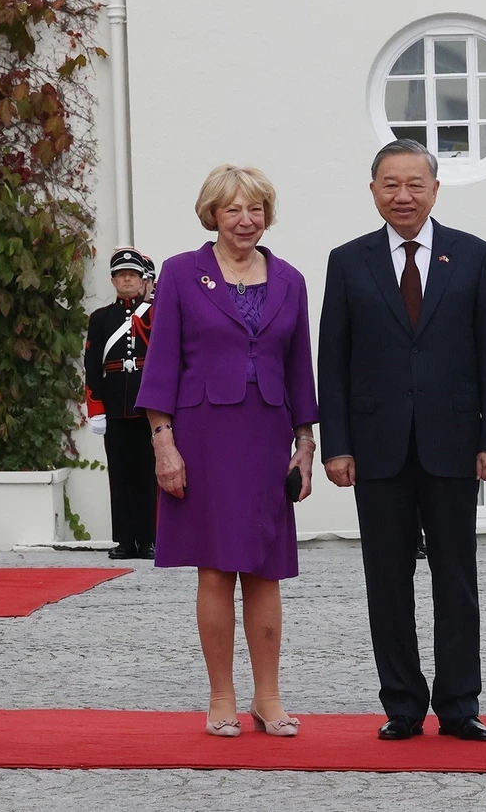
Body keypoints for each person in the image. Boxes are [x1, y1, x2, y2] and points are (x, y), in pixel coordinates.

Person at [317, 139, 486, 742]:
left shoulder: (474, 257)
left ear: (434, 189)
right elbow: (335, 359)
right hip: (375, 448)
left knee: (457, 578)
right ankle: (402, 702)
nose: (403, 196)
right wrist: (336, 444)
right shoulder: (348, 261)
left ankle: (458, 704)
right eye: (390, 184)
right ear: (373, 190)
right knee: (387, 579)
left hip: (454, 444)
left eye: (414, 184)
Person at [135, 164, 318, 737]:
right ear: (212, 213)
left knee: (266, 569)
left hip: (267, 434)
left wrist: (306, 443)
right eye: (233, 208)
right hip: (203, 434)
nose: (246, 219)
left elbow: (299, 369)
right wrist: (164, 444)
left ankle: (269, 698)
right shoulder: (181, 275)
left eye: (256, 208)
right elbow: (161, 364)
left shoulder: (289, 279)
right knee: (215, 569)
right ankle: (221, 697)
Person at [84, 247, 158, 560]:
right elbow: (91, 365)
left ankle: (150, 539)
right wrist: (96, 409)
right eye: (121, 274)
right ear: (113, 280)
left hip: (149, 406)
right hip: (115, 405)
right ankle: (125, 540)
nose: (127, 279)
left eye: (133, 274)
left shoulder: (156, 314)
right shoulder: (101, 318)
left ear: (143, 280)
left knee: (150, 473)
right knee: (121, 474)